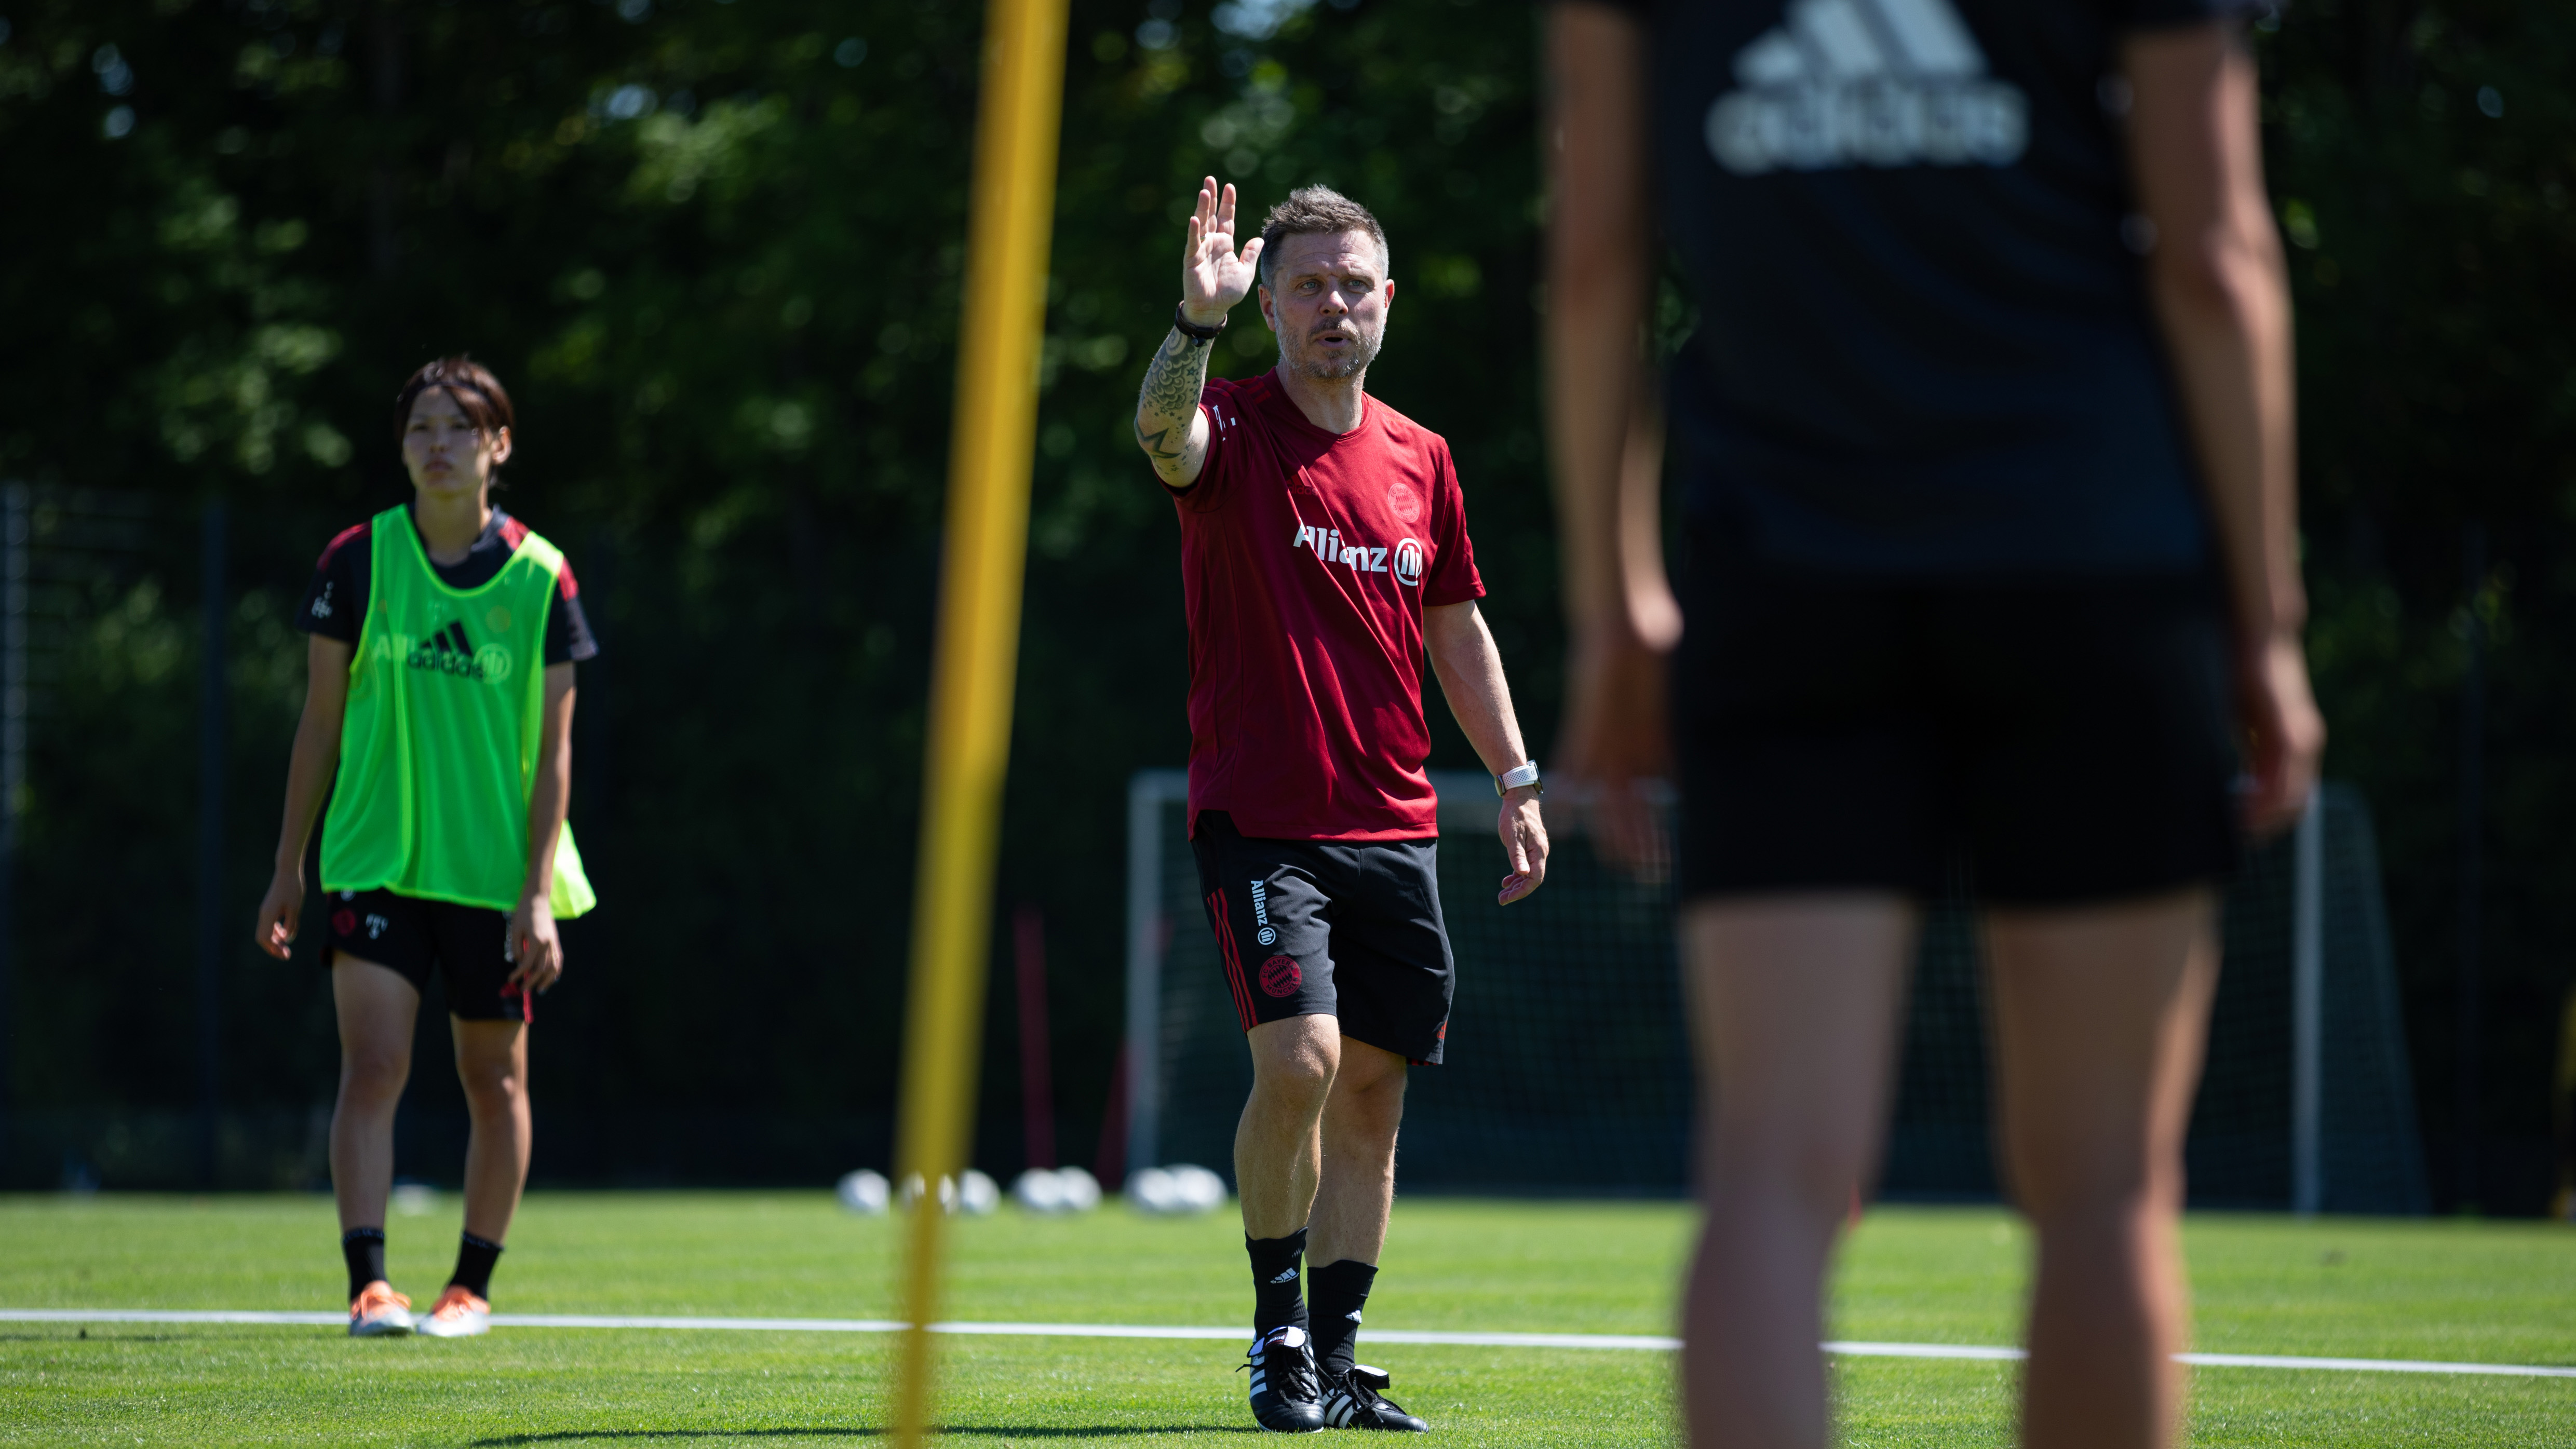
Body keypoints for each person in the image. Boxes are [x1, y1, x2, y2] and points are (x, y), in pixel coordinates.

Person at [1545, 4, 2323, 1448]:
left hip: (1782, 580)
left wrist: (1613, 606)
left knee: (1771, 1172)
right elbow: (2216, 258)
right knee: (2102, 1190)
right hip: (2088, 565)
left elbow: (1594, 260)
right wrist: (2265, 624)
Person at [1131, 179, 1550, 1433]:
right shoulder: (1234, 426)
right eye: (1308, 284)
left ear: (1385, 301)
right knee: (1302, 1059)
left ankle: (1339, 1349)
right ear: (1270, 302)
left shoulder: (1423, 457)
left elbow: (1457, 625)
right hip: (1264, 817)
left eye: (1353, 283)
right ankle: (1274, 1333)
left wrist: (1518, 778)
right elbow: (1162, 437)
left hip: (1397, 825)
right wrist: (1189, 330)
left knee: (1373, 1096)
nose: (1334, 305)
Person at [253, 357, 599, 1339]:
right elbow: (318, 725)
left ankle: (470, 1289)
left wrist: (536, 895)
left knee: (495, 1082)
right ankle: (371, 1286)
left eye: (457, 428)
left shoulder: (541, 575)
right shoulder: (357, 562)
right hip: (376, 858)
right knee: (372, 1067)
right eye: (419, 429)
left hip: (493, 877)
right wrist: (289, 867)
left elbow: (556, 754)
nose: (436, 446)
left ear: (498, 445)